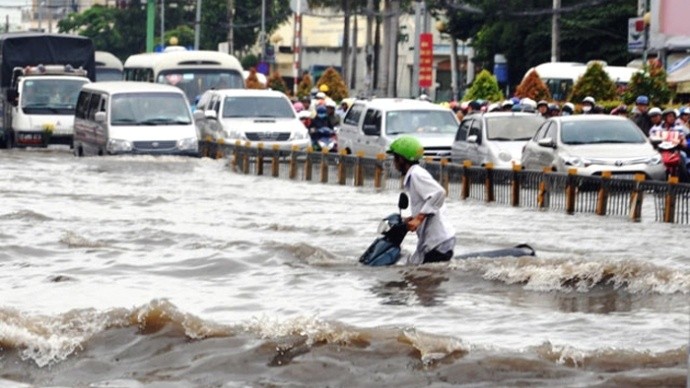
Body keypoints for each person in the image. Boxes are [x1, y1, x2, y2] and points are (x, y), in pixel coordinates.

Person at [386, 136, 456, 265]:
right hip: (434, 241)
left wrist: (419, 218)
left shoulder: (416, 174)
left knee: (423, 282)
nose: (394, 163)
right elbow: (425, 202)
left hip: (438, 241)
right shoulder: (413, 175)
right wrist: (410, 218)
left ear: (401, 159)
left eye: (395, 159)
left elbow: (439, 193)